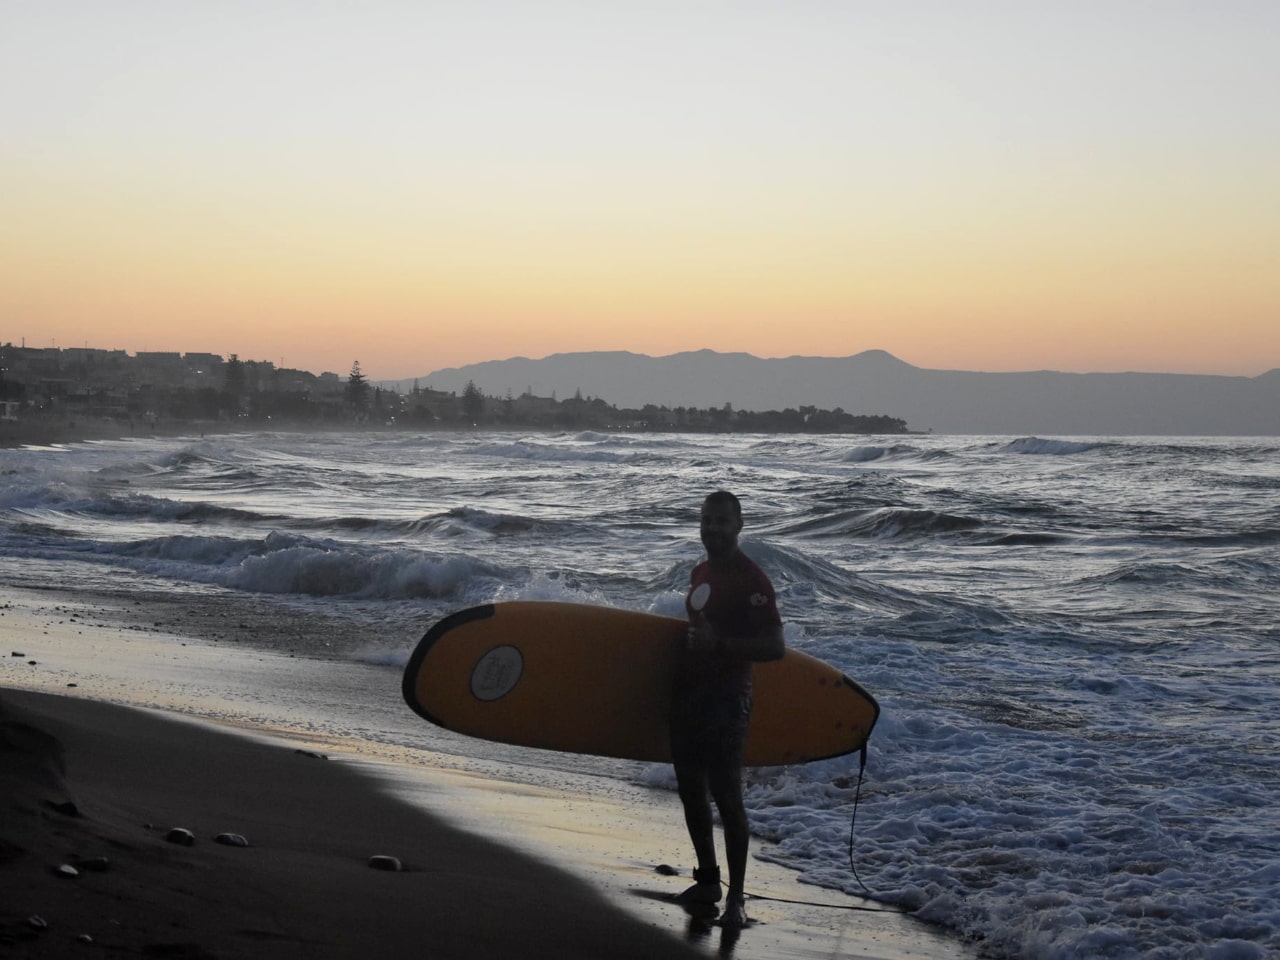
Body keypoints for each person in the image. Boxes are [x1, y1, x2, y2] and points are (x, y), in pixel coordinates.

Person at [670, 490, 785, 929]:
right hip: (689, 695)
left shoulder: (751, 579)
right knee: (690, 790)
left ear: (739, 526)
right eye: (706, 520)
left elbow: (775, 647)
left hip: (726, 699)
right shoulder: (701, 570)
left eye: (721, 521)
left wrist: (722, 646)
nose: (712, 528)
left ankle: (737, 899)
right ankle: (707, 880)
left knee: (727, 797)